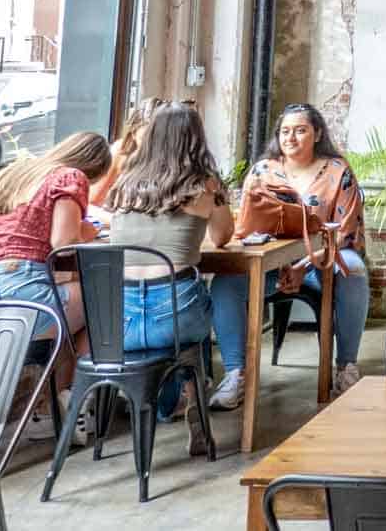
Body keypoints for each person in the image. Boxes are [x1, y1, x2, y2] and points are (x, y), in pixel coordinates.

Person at [0, 131, 110, 441]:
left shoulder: (9, 173)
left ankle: (48, 408)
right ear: (91, 169)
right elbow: (62, 243)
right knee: (100, 300)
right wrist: (88, 231)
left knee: (68, 311)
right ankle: (69, 399)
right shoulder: (69, 178)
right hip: (13, 308)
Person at [208, 103, 371, 407]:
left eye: (300, 130)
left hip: (322, 261)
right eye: (285, 131)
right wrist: (282, 262)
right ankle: (235, 375)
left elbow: (344, 232)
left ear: (317, 133)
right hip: (272, 264)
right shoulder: (263, 171)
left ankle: (345, 367)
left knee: (354, 270)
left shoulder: (338, 171)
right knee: (224, 283)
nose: (291, 137)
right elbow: (247, 227)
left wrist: (301, 264)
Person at [104, 101, 232, 456]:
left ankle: (168, 401)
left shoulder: (125, 183)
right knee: (200, 307)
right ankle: (196, 398)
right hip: (175, 316)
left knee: (182, 317)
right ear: (196, 138)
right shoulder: (204, 184)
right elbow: (223, 237)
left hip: (119, 322)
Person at [89, 96, 165, 207]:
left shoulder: (178, 157)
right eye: (144, 140)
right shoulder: (121, 152)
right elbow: (92, 203)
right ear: (133, 134)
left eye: (159, 140)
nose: (151, 147)